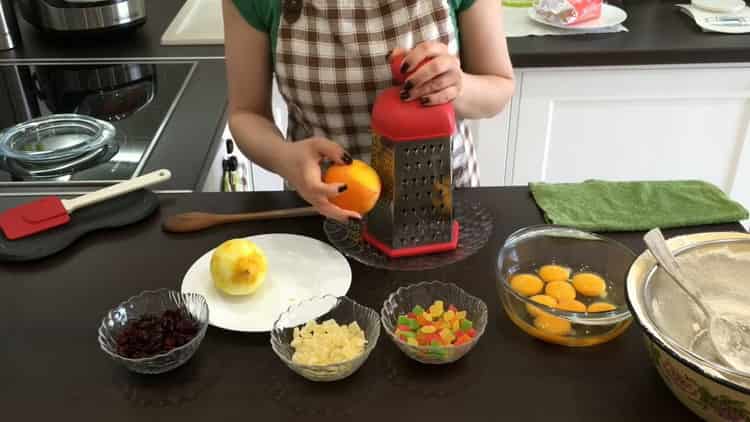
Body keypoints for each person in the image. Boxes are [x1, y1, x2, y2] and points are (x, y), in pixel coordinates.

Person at [223, 0, 515, 222]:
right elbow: (247, 113)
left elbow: (499, 86)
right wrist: (284, 157)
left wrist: (456, 86)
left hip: (442, 203)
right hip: (324, 212)